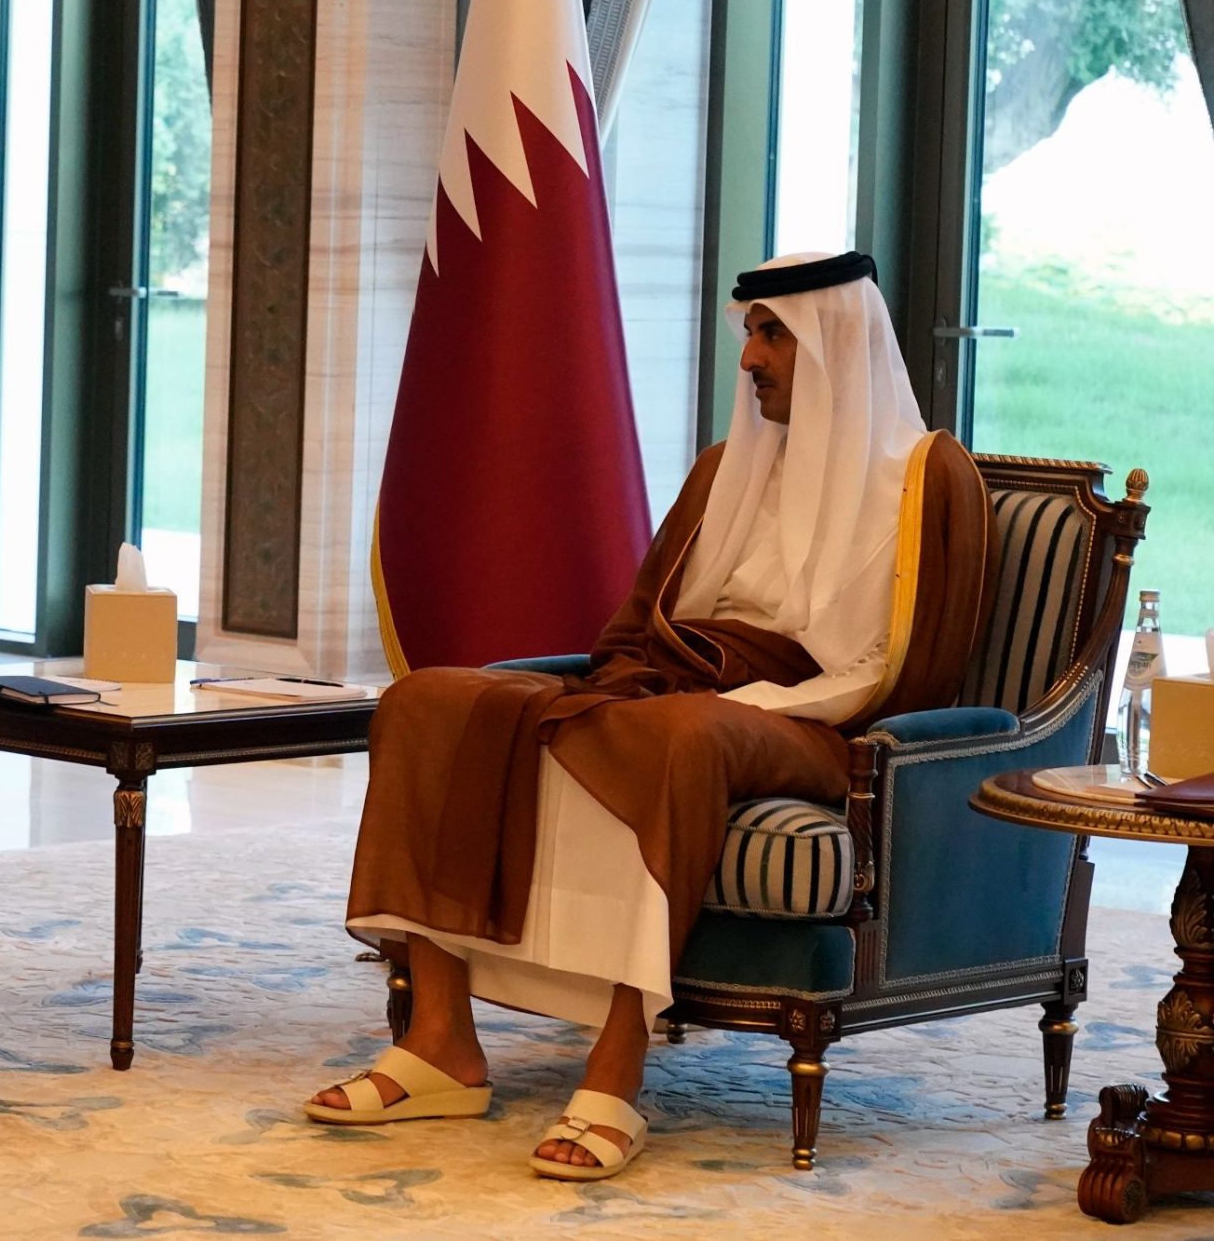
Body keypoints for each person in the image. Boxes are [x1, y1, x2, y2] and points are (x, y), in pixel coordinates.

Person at [306, 251, 996, 1181]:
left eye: (773, 335)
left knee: (677, 733)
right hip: (680, 691)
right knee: (428, 701)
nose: (749, 359)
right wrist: (644, 681)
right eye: (749, 333)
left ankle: (617, 1065)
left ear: (835, 341)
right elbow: (636, 625)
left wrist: (736, 699)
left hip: (826, 723)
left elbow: (913, 667)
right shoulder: (724, 471)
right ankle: (440, 1040)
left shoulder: (925, 478)